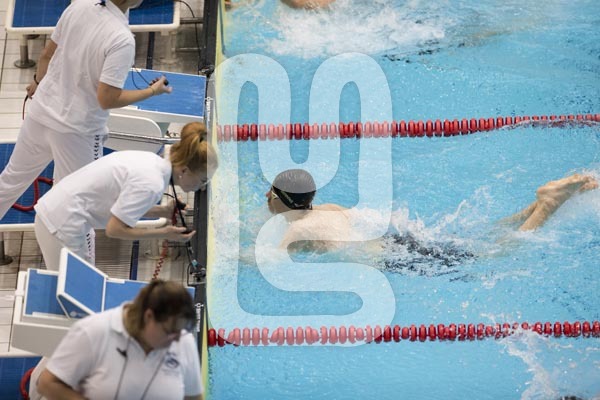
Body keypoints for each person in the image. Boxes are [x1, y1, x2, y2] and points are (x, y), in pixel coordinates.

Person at [0, 0, 171, 220]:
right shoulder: (122, 39)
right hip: (77, 132)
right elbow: (107, 99)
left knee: (10, 181)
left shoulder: (78, 5)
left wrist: (37, 82)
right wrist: (152, 91)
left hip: (41, 113)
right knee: (79, 204)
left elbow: (46, 55)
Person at [265, 169, 598, 268]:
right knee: (481, 241)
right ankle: (532, 207)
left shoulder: (297, 232)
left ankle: (547, 206)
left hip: (396, 258)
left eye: (271, 193)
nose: (266, 196)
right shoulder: (329, 208)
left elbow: (268, 261)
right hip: (397, 241)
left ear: (280, 200)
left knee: (495, 256)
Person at [33, 122, 218, 271]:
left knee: (82, 288)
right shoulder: (152, 184)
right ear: (184, 170)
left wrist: (163, 211)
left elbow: (121, 207)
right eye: (202, 180)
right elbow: (114, 229)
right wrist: (164, 233)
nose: (202, 186)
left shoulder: (153, 162)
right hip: (60, 225)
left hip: (59, 213)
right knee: (72, 295)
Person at [36, 279, 204, 400]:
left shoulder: (184, 341)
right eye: (170, 332)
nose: (177, 340)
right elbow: (46, 383)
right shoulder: (93, 332)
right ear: (149, 317)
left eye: (181, 332)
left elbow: (193, 396)